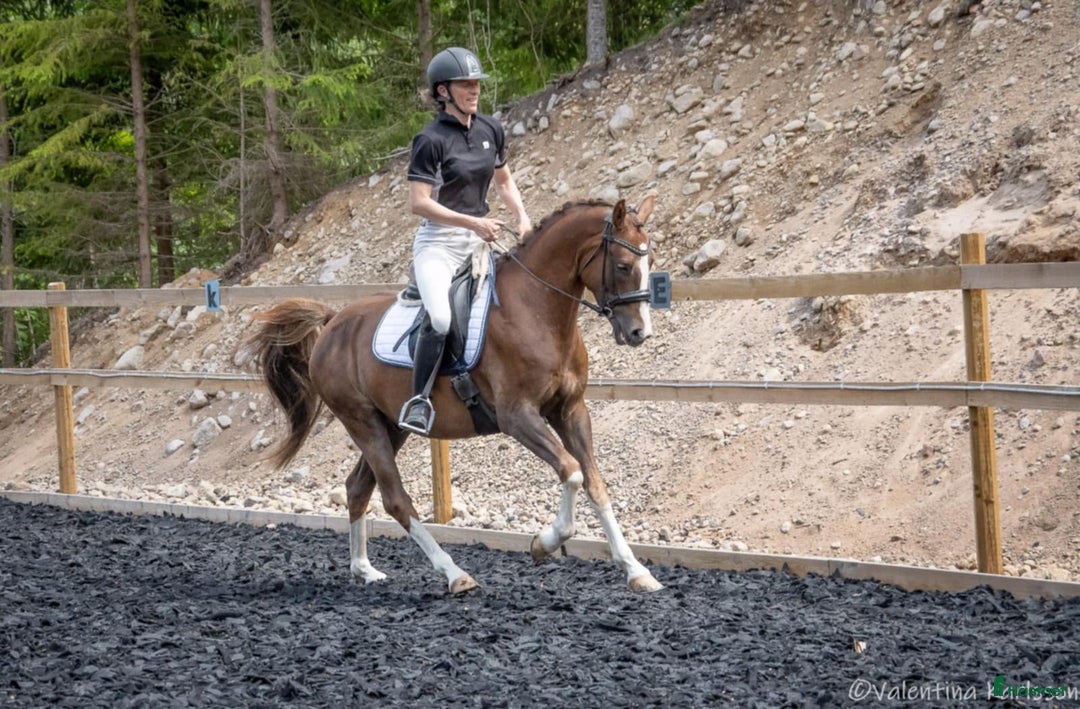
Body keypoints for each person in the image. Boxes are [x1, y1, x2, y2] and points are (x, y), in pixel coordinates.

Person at [398, 46, 532, 435]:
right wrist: (472, 223)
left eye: (476, 83)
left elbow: (504, 182)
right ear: (443, 92)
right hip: (439, 244)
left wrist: (522, 218)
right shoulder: (430, 140)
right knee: (440, 318)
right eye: (465, 84)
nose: (474, 90)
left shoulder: (491, 129)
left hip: (479, 242)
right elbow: (419, 203)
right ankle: (419, 399)